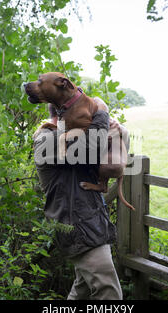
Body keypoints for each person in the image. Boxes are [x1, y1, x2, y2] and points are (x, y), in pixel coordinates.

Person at [33, 103, 123, 300]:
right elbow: (92, 145)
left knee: (81, 291)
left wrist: (116, 132)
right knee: (109, 293)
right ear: (66, 115)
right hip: (79, 227)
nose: (87, 120)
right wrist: (102, 115)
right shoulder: (46, 140)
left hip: (89, 223)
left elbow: (115, 166)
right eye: (82, 115)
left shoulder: (71, 138)